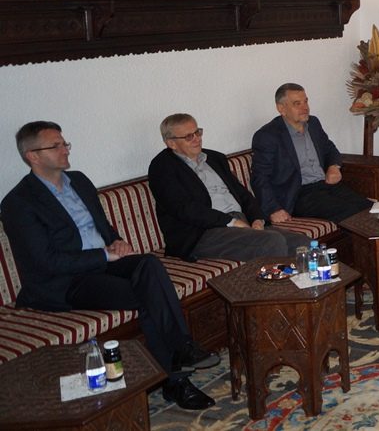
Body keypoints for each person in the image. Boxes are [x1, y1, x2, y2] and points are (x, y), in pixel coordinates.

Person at [1, 121, 219, 410]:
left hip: (103, 263)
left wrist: (116, 242)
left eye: (65, 143)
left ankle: (180, 354)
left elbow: (101, 226)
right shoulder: (19, 203)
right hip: (66, 281)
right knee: (148, 295)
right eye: (56, 146)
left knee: (149, 264)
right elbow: (46, 262)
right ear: (33, 156)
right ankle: (177, 377)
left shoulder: (78, 181)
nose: (65, 149)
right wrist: (104, 255)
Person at [149, 113, 311, 262]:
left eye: (197, 132)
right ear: (171, 143)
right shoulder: (162, 167)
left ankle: (305, 283)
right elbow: (185, 208)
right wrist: (231, 222)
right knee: (271, 241)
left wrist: (257, 218)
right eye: (188, 136)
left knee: (302, 243)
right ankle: (277, 285)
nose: (197, 139)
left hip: (239, 222)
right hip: (202, 233)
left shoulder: (214, 158)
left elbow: (242, 193)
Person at [251, 83, 372, 223]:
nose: (305, 108)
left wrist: (334, 166)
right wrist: (273, 209)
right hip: (299, 194)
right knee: (350, 213)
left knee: (368, 208)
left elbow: (329, 149)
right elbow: (259, 178)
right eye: (297, 104)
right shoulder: (268, 136)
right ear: (281, 108)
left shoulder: (313, 123)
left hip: (325, 185)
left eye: (306, 101)